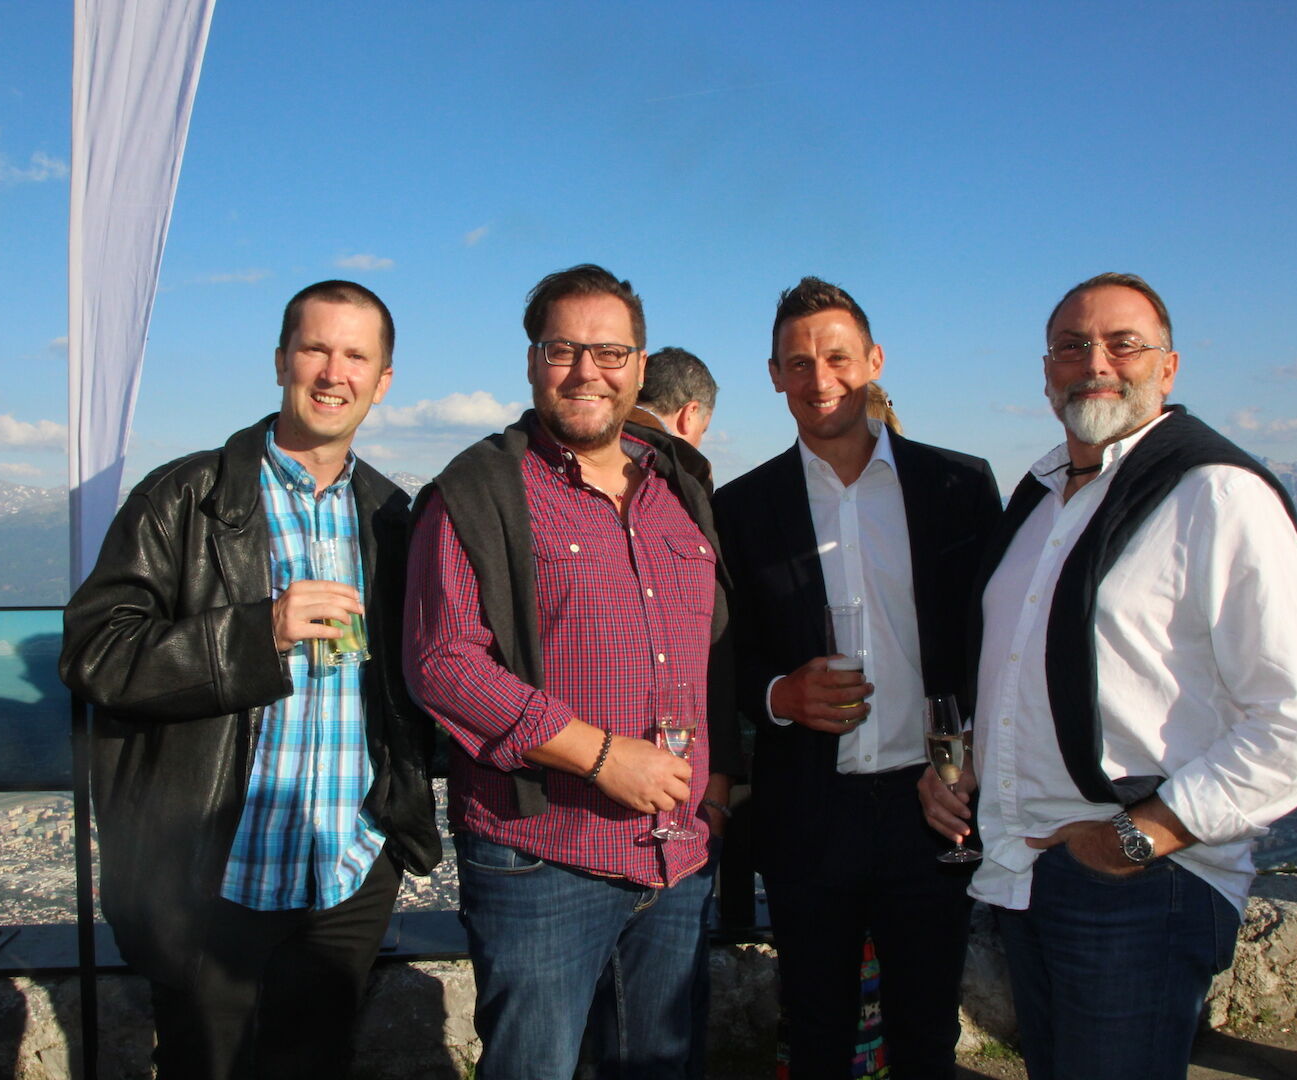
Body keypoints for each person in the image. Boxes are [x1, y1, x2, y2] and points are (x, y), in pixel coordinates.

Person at [917, 272, 1297, 1079]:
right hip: (1027, 873)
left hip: (1143, 884)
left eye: (1124, 344)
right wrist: (968, 760)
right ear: (1047, 372)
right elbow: (1032, 670)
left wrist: (1133, 839)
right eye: (1072, 346)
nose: (1095, 363)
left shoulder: (1216, 494)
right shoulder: (1041, 502)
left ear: (1169, 366)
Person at [60, 280, 441, 1078]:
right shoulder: (184, 497)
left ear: (382, 381)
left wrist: (390, 832)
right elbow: (95, 652)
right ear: (280, 361)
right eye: (315, 349)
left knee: (317, 1064)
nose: (333, 373)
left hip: (346, 870)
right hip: (214, 871)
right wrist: (256, 632)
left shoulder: (392, 515)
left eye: (356, 356)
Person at [404, 264, 738, 1079]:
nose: (587, 371)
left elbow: (715, 648)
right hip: (542, 858)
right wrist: (602, 756)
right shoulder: (478, 490)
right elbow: (443, 663)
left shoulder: (680, 488)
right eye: (563, 350)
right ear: (532, 362)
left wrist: (718, 788)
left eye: (610, 352)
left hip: (676, 858)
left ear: (639, 365)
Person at [713, 276, 1000, 1079]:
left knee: (926, 1035)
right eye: (799, 363)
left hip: (930, 804)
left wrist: (968, 760)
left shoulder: (958, 486)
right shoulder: (741, 507)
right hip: (810, 813)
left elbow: (995, 642)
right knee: (815, 1033)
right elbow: (724, 656)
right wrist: (780, 696)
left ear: (873, 361)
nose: (820, 379)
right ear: (774, 375)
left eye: (837, 357)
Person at [626, 346, 717, 494]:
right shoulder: (692, 468)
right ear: (689, 413)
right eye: (702, 430)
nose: (700, 443)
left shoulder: (595, 434)